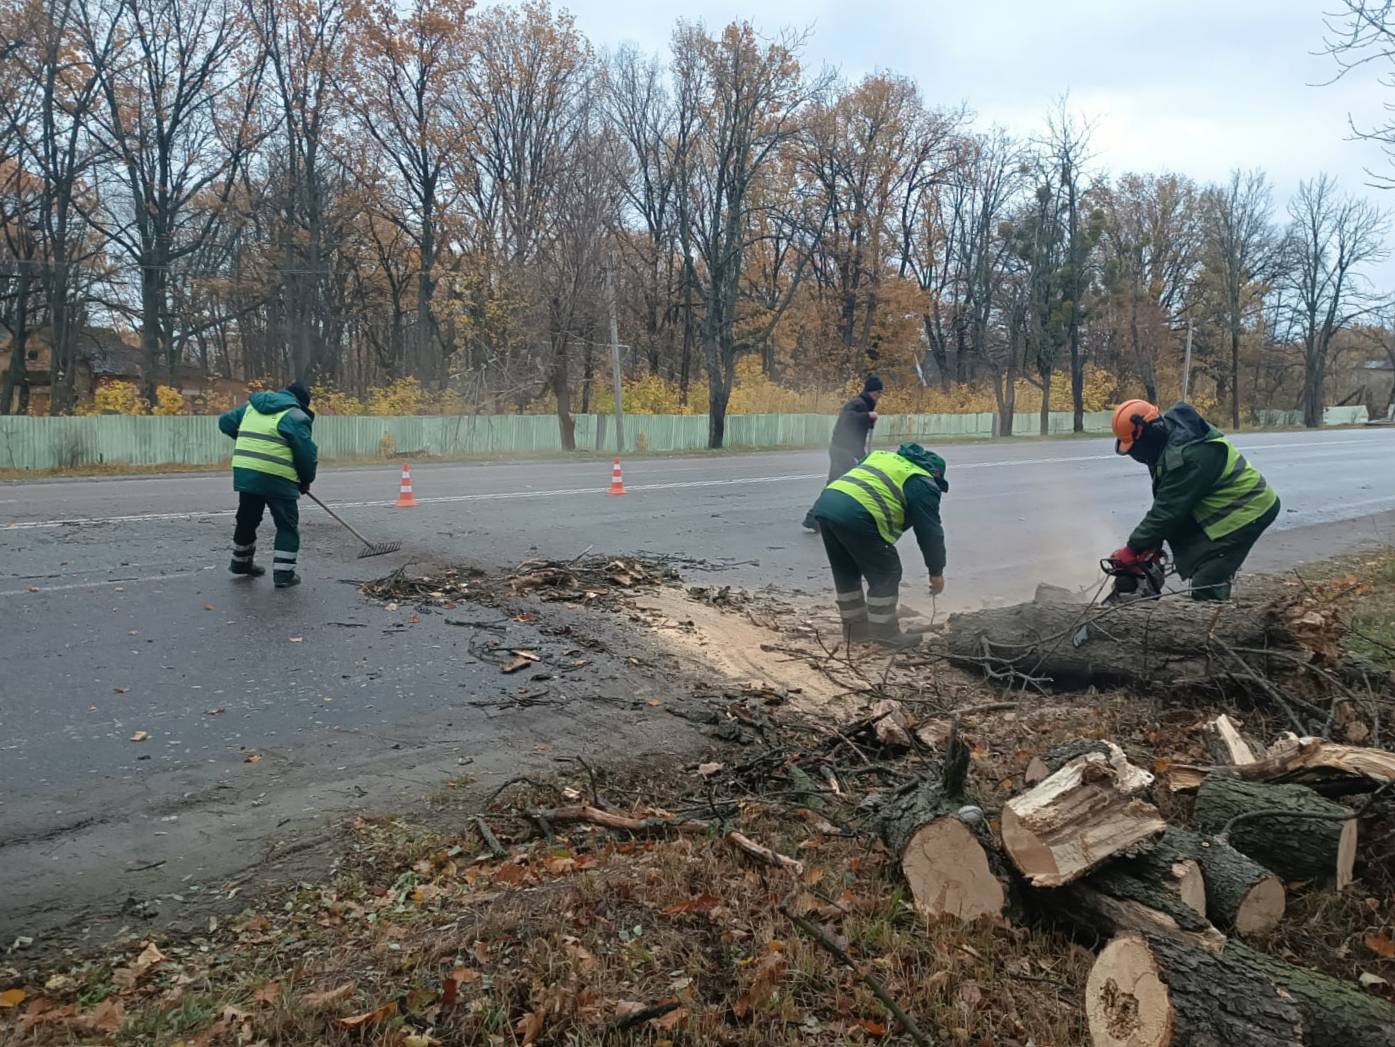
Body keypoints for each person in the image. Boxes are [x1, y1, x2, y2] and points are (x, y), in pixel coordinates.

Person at [1109, 399, 1279, 601]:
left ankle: (1215, 622)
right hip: (1223, 506)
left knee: (1207, 580)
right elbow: (1168, 502)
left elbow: (1168, 511)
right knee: (1196, 551)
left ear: (1149, 435)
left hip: (1248, 509)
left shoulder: (1189, 457)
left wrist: (1133, 548)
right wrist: (1150, 545)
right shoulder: (1167, 443)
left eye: (1135, 447)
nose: (1135, 455)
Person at [812, 442, 948, 649]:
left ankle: (854, 631)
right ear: (935, 473)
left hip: (827, 505)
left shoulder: (883, 457)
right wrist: (936, 571)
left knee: (846, 571)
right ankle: (886, 634)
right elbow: (930, 532)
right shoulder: (922, 483)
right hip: (857, 515)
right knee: (887, 572)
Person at [218, 382, 318, 588]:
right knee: (286, 524)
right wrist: (306, 480)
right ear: (301, 403)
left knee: (247, 518)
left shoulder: (251, 407)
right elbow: (306, 455)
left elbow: (225, 423)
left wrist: (249, 439)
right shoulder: (296, 416)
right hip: (277, 477)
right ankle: (284, 575)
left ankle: (240, 564)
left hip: (247, 472)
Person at [803, 374, 884, 531]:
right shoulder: (859, 404)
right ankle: (830, 518)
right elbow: (848, 419)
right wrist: (867, 416)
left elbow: (857, 435)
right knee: (852, 485)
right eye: (878, 393)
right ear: (872, 392)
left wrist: (862, 456)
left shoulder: (863, 404)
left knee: (837, 484)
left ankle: (814, 517)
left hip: (843, 449)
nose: (879, 397)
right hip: (843, 451)